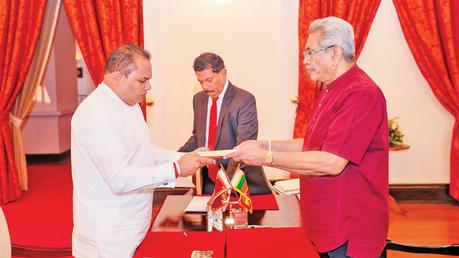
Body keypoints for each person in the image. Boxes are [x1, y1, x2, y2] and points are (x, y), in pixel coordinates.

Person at [225, 17, 389, 258]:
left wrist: (266, 158)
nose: (305, 61)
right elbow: (311, 143)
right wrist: (264, 144)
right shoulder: (331, 88)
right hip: (326, 219)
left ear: (335, 53)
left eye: (311, 53)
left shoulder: (360, 93)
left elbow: (332, 162)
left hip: (350, 225)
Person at [71, 44, 215, 258]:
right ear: (119, 76)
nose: (148, 87)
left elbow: (145, 151)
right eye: (142, 80)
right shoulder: (97, 113)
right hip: (108, 236)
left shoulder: (129, 105)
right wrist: (176, 168)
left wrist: (188, 158)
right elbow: (119, 179)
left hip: (132, 227)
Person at [179, 52, 271, 195]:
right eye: (200, 81)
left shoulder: (244, 100)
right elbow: (198, 137)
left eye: (209, 80)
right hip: (207, 182)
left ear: (223, 73)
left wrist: (224, 186)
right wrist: (175, 160)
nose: (205, 86)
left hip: (240, 182)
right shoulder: (198, 99)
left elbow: (243, 149)